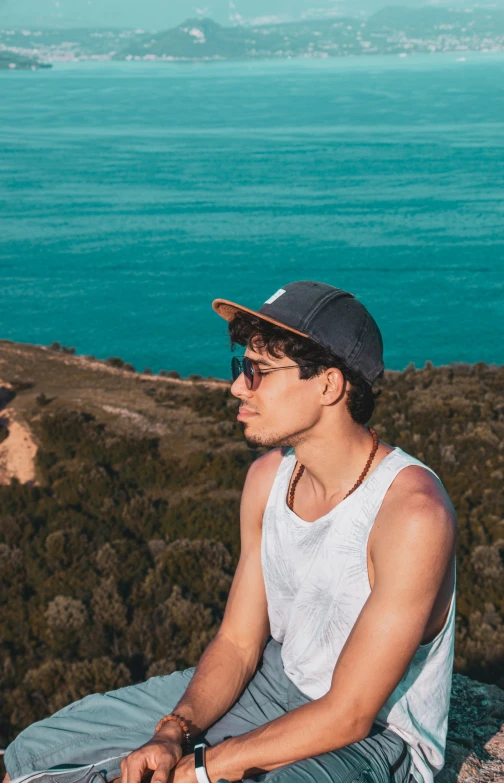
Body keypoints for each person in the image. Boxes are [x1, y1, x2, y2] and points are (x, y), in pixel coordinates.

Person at [3, 281, 456, 783]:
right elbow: (240, 643)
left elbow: (348, 713)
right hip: (272, 683)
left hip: (377, 736)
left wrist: (197, 769)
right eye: (241, 368)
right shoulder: (267, 480)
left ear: (328, 385)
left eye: (257, 371)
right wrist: (173, 731)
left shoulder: (412, 514)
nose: (238, 387)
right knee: (35, 753)